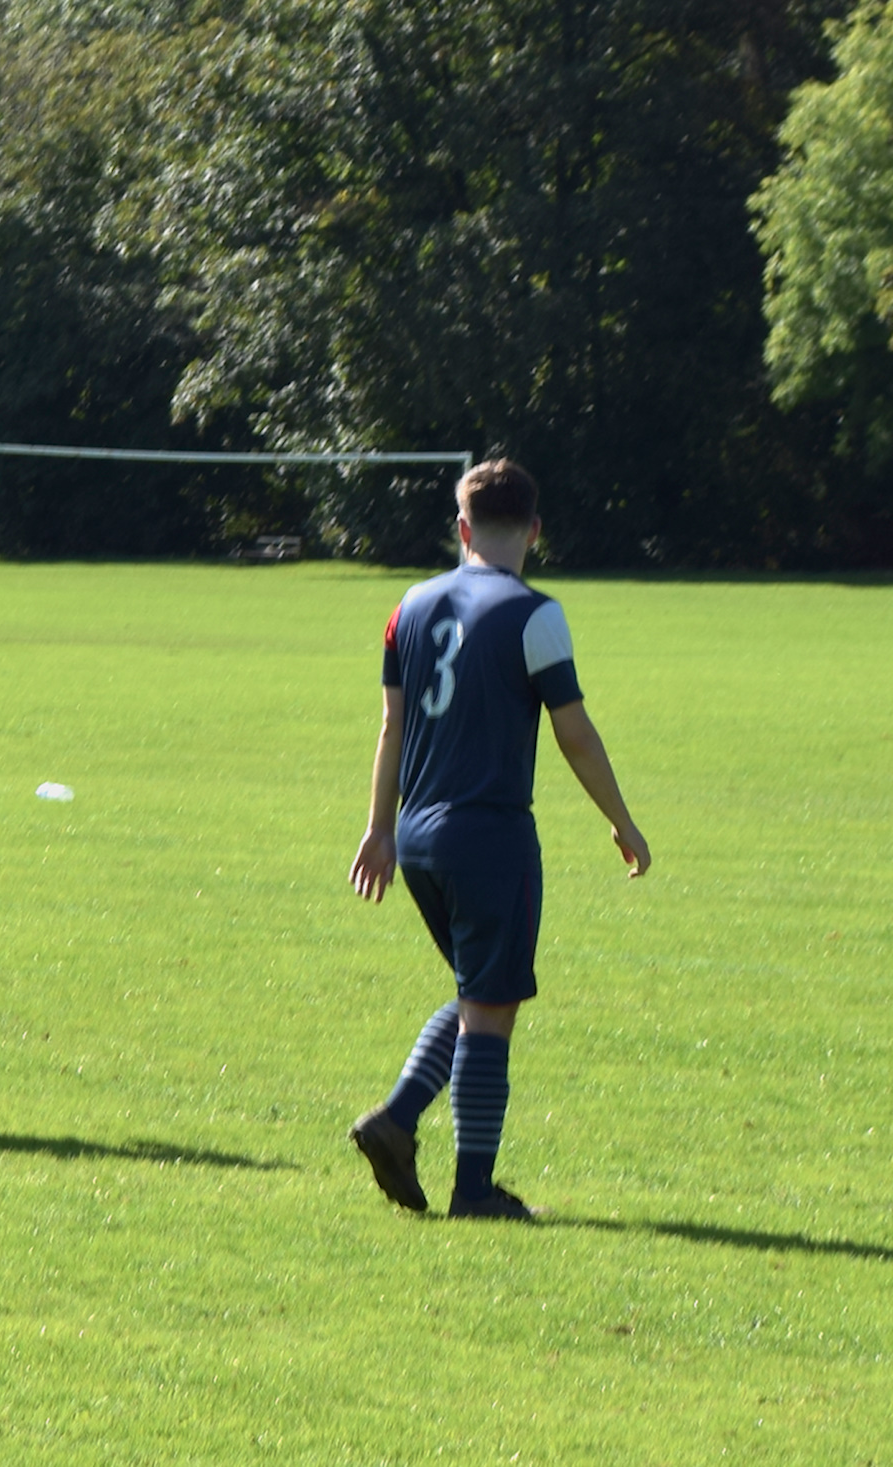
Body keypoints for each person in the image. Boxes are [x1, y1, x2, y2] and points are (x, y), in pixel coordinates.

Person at [347, 460, 649, 1220]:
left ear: (461, 527)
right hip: (489, 834)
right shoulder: (534, 613)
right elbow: (572, 731)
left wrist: (380, 827)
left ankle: (401, 1124)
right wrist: (620, 816)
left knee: (483, 993)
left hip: (416, 835)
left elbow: (392, 725)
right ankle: (467, 1183)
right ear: (535, 531)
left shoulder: (408, 606)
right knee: (491, 1005)